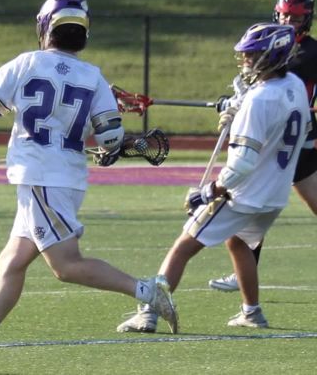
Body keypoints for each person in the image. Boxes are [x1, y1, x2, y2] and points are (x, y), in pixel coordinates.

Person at [0, 0, 178, 366]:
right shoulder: (93, 76)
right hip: (64, 179)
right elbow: (110, 138)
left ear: (45, 27)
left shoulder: (25, 63)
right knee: (12, 260)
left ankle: (148, 292)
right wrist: (113, 147)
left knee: (66, 266)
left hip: (41, 178)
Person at [116, 22, 310, 333]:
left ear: (273, 55)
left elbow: (243, 163)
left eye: (253, 54)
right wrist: (238, 108)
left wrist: (211, 190)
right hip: (274, 196)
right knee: (238, 242)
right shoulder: (295, 86)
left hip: (242, 194)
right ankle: (252, 312)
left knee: (184, 245)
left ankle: (149, 314)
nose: (246, 59)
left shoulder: (260, 99)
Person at [209, 0, 317, 292]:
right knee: (254, 203)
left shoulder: (307, 53)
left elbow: (268, 83)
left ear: (307, 19)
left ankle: (245, 276)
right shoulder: (274, 48)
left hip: (297, 141)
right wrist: (235, 101)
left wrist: (239, 102)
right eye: (284, 15)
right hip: (273, 139)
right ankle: (244, 272)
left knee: (257, 200)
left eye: (295, 17)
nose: (288, 21)